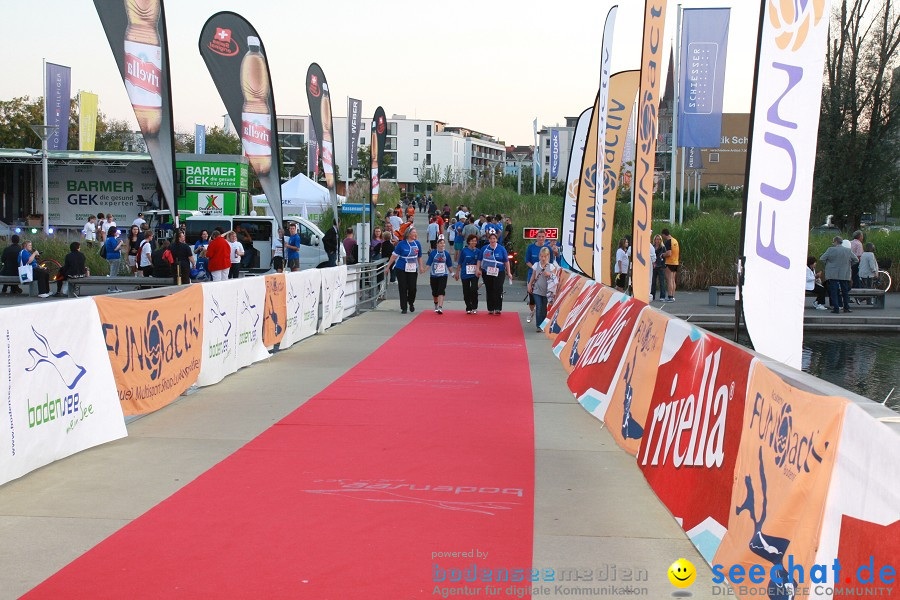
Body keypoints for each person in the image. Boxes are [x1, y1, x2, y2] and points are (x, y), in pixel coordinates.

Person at [385, 227, 423, 314]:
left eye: (415, 232)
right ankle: (404, 307)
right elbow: (394, 256)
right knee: (403, 287)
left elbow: (419, 256)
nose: (415, 234)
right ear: (409, 234)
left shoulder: (417, 244)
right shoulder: (401, 244)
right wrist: (388, 267)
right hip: (401, 268)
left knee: (412, 288)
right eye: (413, 232)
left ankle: (411, 302)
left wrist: (421, 267)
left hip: (413, 268)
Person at [525, 230, 557, 322]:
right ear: (536, 237)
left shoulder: (548, 249)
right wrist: (536, 268)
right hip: (533, 274)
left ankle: (540, 322)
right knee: (532, 299)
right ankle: (532, 311)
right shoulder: (531, 247)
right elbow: (527, 260)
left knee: (542, 304)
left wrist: (546, 271)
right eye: (539, 236)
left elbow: (551, 262)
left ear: (545, 237)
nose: (541, 238)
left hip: (545, 279)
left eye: (543, 236)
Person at [477, 232, 512, 315]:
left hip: (499, 272)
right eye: (491, 239)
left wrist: (509, 272)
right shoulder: (484, 248)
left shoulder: (501, 249)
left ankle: (498, 308)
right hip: (487, 272)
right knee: (489, 289)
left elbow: (506, 261)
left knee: (498, 289)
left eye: (494, 239)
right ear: (489, 240)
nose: (492, 240)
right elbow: (479, 259)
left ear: (496, 239)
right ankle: (491, 308)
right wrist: (478, 269)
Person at [820, 235, 857, 314]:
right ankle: (846, 307)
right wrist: (849, 264)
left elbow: (822, 258)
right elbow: (856, 260)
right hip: (844, 273)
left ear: (836, 242)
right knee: (845, 291)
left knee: (834, 291)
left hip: (832, 273)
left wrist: (828, 264)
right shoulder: (848, 250)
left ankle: (836, 308)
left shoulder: (830, 250)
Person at [527, 247, 559, 332]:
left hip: (546, 291)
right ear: (539, 256)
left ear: (548, 256)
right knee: (539, 306)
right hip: (537, 290)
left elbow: (555, 279)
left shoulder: (551, 266)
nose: (543, 258)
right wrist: (530, 285)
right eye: (541, 256)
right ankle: (538, 325)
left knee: (544, 307)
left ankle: (543, 324)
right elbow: (533, 276)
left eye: (545, 256)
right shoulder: (536, 265)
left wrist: (549, 274)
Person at [426, 237, 454, 314]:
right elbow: (429, 263)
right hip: (434, 275)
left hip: (443, 275)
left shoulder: (446, 254)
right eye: (440, 243)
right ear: (437, 244)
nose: (442, 244)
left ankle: (440, 307)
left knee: (441, 290)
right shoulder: (433, 253)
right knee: (435, 292)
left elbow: (449, 265)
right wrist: (424, 270)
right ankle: (436, 304)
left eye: (443, 243)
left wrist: (453, 274)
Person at [455, 234, 481, 314]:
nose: (474, 242)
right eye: (472, 241)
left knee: (474, 289)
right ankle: (468, 307)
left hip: (474, 273)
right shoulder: (464, 251)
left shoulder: (478, 251)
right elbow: (460, 262)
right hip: (465, 273)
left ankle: (474, 306)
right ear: (469, 241)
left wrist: (479, 270)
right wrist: (457, 272)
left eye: (475, 241)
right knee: (466, 291)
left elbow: (480, 262)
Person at [660, 228, 680, 302]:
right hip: (675, 262)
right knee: (673, 280)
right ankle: (672, 295)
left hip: (670, 262)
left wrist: (662, 255)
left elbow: (669, 253)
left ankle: (670, 296)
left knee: (669, 280)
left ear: (664, 234)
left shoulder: (668, 242)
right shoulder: (675, 240)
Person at [104, 227, 125, 291]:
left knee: (113, 272)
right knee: (114, 273)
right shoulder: (112, 239)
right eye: (116, 232)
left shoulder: (108, 239)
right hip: (114, 257)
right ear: (113, 232)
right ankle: (111, 288)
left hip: (110, 256)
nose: (117, 233)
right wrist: (120, 244)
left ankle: (114, 287)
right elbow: (115, 248)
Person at [651, 234, 668, 301]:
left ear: (661, 240)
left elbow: (665, 256)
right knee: (653, 282)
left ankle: (662, 296)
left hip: (661, 266)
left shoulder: (663, 247)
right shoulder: (652, 247)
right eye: (656, 239)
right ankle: (652, 295)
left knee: (662, 282)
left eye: (658, 239)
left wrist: (663, 264)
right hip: (654, 266)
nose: (657, 241)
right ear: (654, 240)